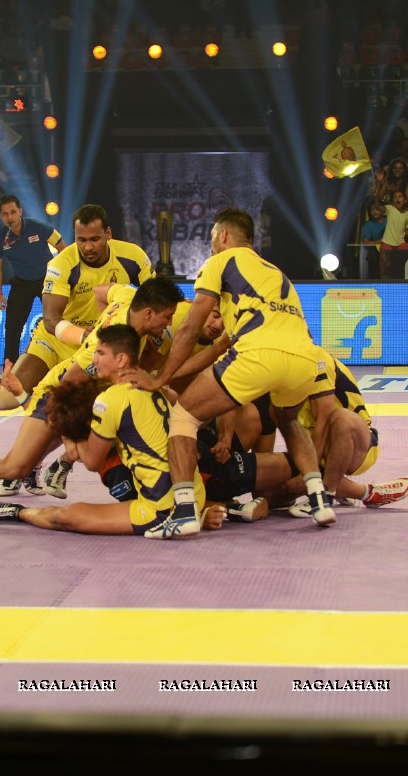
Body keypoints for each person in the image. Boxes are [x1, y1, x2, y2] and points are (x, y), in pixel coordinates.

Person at [0, 204, 154, 495]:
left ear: (108, 234)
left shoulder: (133, 257)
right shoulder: (62, 264)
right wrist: (87, 337)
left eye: (94, 239)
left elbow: (151, 301)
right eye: (81, 240)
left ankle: (30, 464)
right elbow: (53, 319)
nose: (88, 247)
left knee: (67, 412)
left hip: (95, 348)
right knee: (7, 398)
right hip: (59, 338)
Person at [127, 208, 336, 537]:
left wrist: (160, 379)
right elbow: (218, 349)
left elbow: (191, 327)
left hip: (258, 353)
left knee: (183, 417)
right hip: (305, 359)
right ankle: (319, 498)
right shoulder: (275, 274)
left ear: (223, 236)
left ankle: (183, 514)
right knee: (288, 419)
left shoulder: (220, 262)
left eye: (212, 239)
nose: (211, 246)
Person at [0, 280, 184, 522]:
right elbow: (70, 385)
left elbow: (100, 290)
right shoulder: (100, 349)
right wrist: (69, 435)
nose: (169, 323)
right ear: (148, 313)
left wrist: (96, 321)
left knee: (50, 452)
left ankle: (52, 464)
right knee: (15, 464)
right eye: (167, 317)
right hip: (61, 395)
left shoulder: (128, 296)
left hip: (89, 396)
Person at [0, 324, 228, 535]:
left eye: (101, 353)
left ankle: (15, 512)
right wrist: (25, 397)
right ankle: (200, 512)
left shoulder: (110, 400)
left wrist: (65, 435)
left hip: (159, 508)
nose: (94, 359)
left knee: (65, 516)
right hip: (191, 493)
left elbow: (91, 461)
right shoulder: (152, 384)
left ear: (121, 359)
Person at [282, 349, 408, 518]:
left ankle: (326, 495)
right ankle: (367, 493)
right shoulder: (271, 365)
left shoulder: (317, 360)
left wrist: (310, 478)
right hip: (309, 445)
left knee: (341, 418)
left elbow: (322, 423)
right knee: (280, 490)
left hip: (355, 442)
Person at [0, 195, 68, 365]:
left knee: (60, 322)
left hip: (48, 282)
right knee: (12, 328)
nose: (10, 217)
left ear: (20, 212)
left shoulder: (39, 227)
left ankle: (67, 362)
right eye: (5, 214)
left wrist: (65, 280)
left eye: (13, 212)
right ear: (1, 216)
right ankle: (9, 369)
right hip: (21, 283)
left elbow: (65, 250)